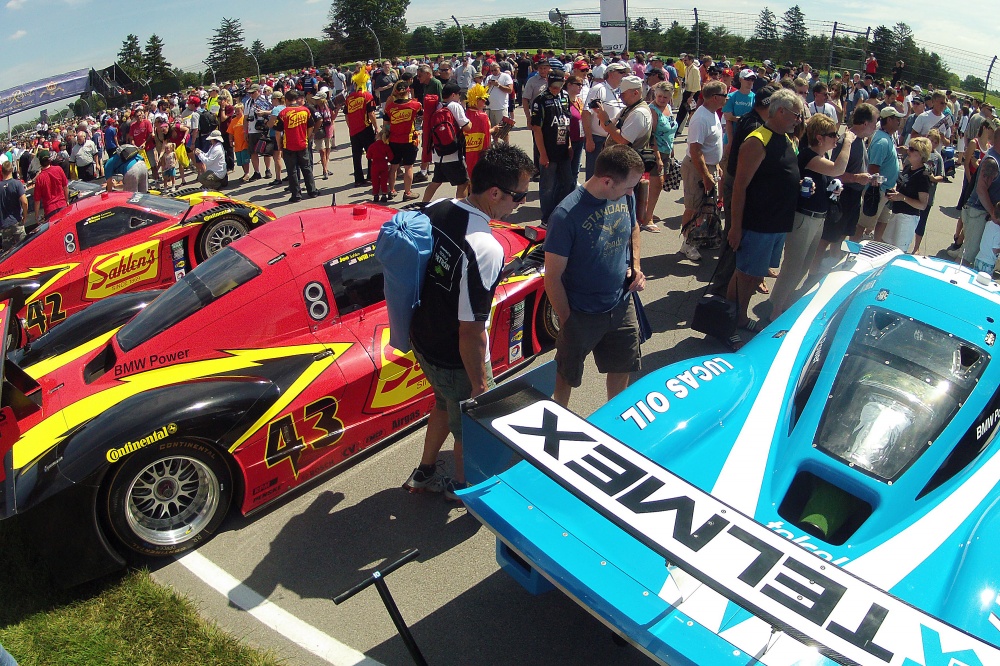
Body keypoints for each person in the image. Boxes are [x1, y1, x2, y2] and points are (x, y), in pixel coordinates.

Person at [403, 143, 534, 500]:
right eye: (519, 197)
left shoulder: (437, 207)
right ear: (495, 193)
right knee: (470, 429)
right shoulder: (486, 247)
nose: (519, 204)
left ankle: (424, 471)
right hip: (455, 356)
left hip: (423, 338)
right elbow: (472, 329)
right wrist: (480, 385)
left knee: (443, 403)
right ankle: (461, 488)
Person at [545, 144, 646, 408]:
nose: (631, 192)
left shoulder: (624, 195)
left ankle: (615, 418)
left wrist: (635, 265)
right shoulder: (566, 216)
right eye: (628, 186)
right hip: (581, 312)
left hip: (621, 303)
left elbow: (633, 227)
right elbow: (552, 277)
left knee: (622, 365)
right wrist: (568, 320)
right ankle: (559, 418)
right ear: (607, 181)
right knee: (567, 373)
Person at [726, 89, 804, 345]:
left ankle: (738, 317)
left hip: (776, 224)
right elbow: (739, 186)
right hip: (757, 223)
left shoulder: (787, 139)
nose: (798, 120)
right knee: (744, 276)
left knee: (755, 275)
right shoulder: (757, 140)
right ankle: (729, 323)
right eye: (795, 114)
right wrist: (736, 227)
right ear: (780, 111)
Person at [769, 114, 856, 319]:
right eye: (832, 135)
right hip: (804, 218)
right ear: (819, 137)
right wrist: (849, 142)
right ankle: (774, 311)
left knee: (804, 265)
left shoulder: (821, 158)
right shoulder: (809, 156)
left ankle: (783, 304)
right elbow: (839, 168)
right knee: (793, 265)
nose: (836, 139)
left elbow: (830, 176)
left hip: (817, 218)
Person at [810, 103, 879, 274]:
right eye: (874, 122)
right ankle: (812, 272)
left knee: (841, 235)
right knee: (827, 237)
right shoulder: (846, 141)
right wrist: (857, 178)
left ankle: (831, 268)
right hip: (842, 195)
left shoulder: (861, 141)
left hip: (853, 197)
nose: (875, 126)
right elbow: (835, 172)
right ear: (865, 123)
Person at [592, 75, 653, 234]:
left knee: (624, 205)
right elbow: (611, 127)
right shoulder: (630, 108)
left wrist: (605, 120)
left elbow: (622, 140)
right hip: (619, 166)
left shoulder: (639, 112)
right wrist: (602, 116)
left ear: (635, 93)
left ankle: (626, 235)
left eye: (623, 93)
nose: (620, 96)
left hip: (626, 169)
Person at [679, 80, 727, 261]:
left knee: (703, 208)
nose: (726, 99)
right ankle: (686, 243)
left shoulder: (712, 113)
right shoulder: (700, 118)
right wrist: (706, 175)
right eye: (724, 95)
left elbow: (711, 145)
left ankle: (698, 238)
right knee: (693, 207)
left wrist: (717, 166)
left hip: (709, 166)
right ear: (715, 97)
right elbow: (695, 150)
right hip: (697, 168)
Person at [531, 71, 575, 224]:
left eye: (560, 85)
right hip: (548, 150)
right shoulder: (540, 100)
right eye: (554, 86)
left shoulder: (564, 97)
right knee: (547, 187)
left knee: (568, 182)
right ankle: (547, 218)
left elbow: (566, 122)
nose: (556, 89)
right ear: (549, 84)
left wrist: (569, 145)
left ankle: (560, 212)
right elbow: (536, 129)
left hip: (563, 148)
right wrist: (542, 154)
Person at [855, 107, 904, 242]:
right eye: (897, 119)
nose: (899, 122)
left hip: (886, 191)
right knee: (863, 224)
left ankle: (873, 248)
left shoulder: (887, 137)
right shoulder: (882, 141)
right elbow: (873, 167)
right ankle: (852, 249)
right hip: (878, 191)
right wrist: (876, 189)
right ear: (889, 119)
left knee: (882, 222)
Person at [882, 137, 931, 252]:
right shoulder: (909, 167)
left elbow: (922, 205)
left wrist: (902, 198)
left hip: (907, 218)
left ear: (921, 154)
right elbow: (901, 184)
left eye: (912, 149)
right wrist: (894, 190)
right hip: (896, 213)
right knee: (885, 246)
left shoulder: (923, 176)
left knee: (897, 251)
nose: (908, 151)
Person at [961, 127, 1000, 267]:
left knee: (977, 256)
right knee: (966, 258)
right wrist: (993, 214)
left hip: (983, 214)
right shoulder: (992, 161)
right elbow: (981, 189)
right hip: (978, 213)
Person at [582, 62, 628, 180]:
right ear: (611, 74)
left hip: (614, 139)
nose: (624, 75)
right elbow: (586, 113)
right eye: (621, 72)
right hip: (598, 140)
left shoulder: (619, 91)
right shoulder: (598, 89)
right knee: (595, 176)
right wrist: (589, 139)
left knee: (610, 177)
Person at [643, 81, 678, 231]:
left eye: (665, 97)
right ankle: (647, 218)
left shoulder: (668, 108)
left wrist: (672, 150)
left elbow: (671, 131)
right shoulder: (652, 110)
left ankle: (648, 212)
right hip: (655, 152)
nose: (661, 99)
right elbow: (652, 136)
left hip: (667, 151)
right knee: (655, 184)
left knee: (659, 185)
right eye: (659, 96)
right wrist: (657, 157)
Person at [276, 90, 318, 203]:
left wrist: (279, 145)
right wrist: (307, 138)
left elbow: (278, 132)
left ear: (287, 100)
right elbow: (311, 126)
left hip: (288, 145)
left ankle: (296, 195)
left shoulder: (283, 113)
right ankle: (312, 191)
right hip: (302, 143)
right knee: (306, 167)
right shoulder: (305, 111)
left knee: (292, 170)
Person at [385, 80, 422, 201]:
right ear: (408, 91)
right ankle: (407, 192)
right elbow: (421, 119)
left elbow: (385, 124)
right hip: (409, 140)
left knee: (394, 166)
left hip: (394, 140)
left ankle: (391, 190)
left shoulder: (390, 107)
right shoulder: (416, 105)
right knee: (408, 167)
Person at [911, 129, 946, 254]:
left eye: (936, 142)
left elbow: (941, 176)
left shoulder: (938, 158)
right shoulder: (918, 153)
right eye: (931, 140)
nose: (933, 143)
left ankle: (917, 247)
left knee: (922, 221)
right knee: (910, 218)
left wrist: (932, 178)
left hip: (928, 195)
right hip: (914, 193)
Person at [345, 72, 378, 186]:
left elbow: (346, 115)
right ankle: (370, 176)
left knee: (356, 155)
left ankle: (358, 179)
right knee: (371, 153)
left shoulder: (349, 98)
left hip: (353, 131)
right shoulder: (367, 96)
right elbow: (371, 114)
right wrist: (377, 127)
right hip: (366, 128)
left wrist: (351, 127)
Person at [31, 149, 68, 223]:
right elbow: (65, 187)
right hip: (62, 205)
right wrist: (66, 201)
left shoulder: (39, 178)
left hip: (49, 210)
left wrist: (36, 216)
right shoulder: (58, 169)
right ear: (49, 160)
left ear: (40, 162)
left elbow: (37, 200)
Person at [0, 162, 27, 250]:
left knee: (8, 255)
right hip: (17, 221)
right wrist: (25, 216)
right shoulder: (17, 184)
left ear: (2, 172)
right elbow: (24, 202)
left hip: (4, 224)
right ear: (12, 170)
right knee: (23, 249)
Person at [367, 127, 393, 202]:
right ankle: (384, 194)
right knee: (384, 181)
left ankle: (376, 195)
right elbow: (391, 157)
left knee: (375, 181)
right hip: (384, 165)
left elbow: (368, 156)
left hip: (375, 165)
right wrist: (387, 160)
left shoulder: (372, 146)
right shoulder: (386, 146)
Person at [485, 61, 514, 127]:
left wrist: (498, 85)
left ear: (499, 68)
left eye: (495, 70)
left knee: (503, 130)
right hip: (490, 108)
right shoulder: (489, 77)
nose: (494, 72)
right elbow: (484, 92)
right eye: (492, 70)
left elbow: (510, 90)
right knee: (492, 129)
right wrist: (488, 86)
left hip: (501, 107)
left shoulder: (506, 76)